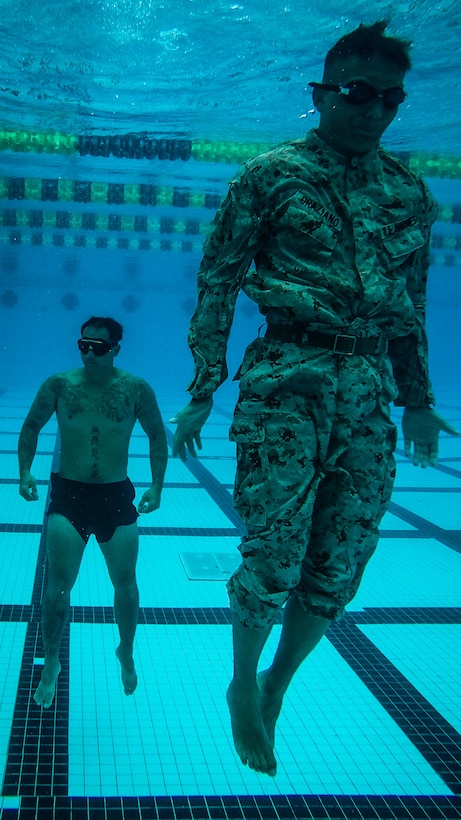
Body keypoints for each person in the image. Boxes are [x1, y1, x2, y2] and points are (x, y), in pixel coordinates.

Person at [171, 21, 460, 776]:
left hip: (367, 391)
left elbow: (410, 303)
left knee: (342, 558)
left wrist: (419, 400)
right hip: (287, 378)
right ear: (323, 93)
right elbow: (217, 284)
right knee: (273, 550)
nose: (372, 109)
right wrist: (203, 389)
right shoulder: (268, 176)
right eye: (356, 92)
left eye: (389, 97)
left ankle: (277, 681)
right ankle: (241, 683)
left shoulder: (408, 192)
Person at [18, 316, 168, 708]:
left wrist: (156, 485)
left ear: (116, 347)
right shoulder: (60, 384)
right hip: (69, 496)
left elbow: (156, 436)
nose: (89, 353)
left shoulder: (135, 389)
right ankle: (52, 661)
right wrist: (24, 473)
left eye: (98, 347)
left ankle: (126, 650)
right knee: (57, 589)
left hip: (116, 497)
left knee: (126, 585)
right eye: (83, 345)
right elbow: (31, 426)